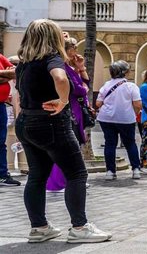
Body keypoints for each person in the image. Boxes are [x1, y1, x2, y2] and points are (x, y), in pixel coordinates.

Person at [14, 19, 111, 243]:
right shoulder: (51, 57)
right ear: (53, 37)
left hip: (26, 122)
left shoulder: (24, 64)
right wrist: (63, 100)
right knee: (77, 173)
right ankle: (79, 227)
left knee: (37, 176)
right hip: (51, 122)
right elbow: (59, 77)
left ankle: (39, 227)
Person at [46, 37, 91, 192]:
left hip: (73, 110)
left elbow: (85, 84)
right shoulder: (62, 67)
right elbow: (78, 89)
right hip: (70, 110)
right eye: (74, 49)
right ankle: (58, 184)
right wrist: (83, 88)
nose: (76, 53)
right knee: (66, 148)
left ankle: (67, 181)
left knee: (70, 147)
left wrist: (81, 68)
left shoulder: (68, 67)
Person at [96, 61, 143, 180]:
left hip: (106, 118)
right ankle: (136, 169)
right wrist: (134, 114)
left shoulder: (106, 85)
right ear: (125, 72)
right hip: (125, 119)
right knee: (130, 143)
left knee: (110, 144)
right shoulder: (131, 86)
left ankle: (110, 171)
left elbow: (98, 103)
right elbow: (138, 104)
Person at [0, 52, 20, 186]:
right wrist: (6, 75)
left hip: (1, 105)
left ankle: (2, 174)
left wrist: (3, 76)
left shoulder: (0, 57)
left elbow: (16, 72)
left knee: (1, 141)